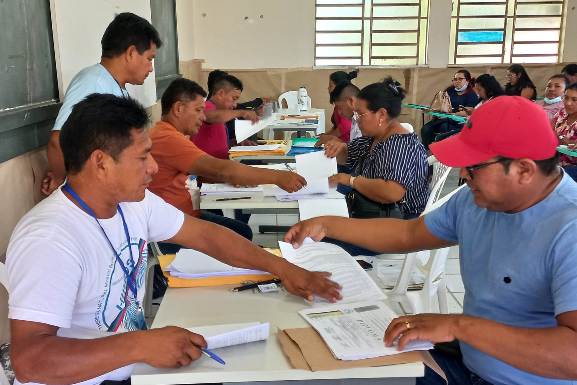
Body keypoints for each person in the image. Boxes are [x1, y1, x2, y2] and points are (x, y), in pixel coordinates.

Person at [6, 94, 341, 385]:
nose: (153, 167)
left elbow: (207, 236)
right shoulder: (51, 237)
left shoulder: (133, 203)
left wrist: (283, 268)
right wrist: (141, 345)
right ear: (101, 163)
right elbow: (31, 360)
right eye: (142, 157)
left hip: (132, 369)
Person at [285, 96, 577, 385]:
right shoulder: (475, 201)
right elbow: (408, 234)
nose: (463, 175)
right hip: (469, 364)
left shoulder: (568, 228)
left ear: (524, 170)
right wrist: (328, 224)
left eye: (473, 167)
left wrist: (460, 327)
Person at [149, 78, 307, 248]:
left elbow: (213, 171)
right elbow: (221, 170)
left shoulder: (167, 134)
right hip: (173, 227)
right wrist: (278, 177)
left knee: (242, 231)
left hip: (183, 214)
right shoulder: (167, 138)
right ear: (179, 108)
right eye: (198, 110)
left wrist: (234, 178)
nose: (203, 117)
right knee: (241, 236)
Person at [42, 12, 162, 195]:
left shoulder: (115, 86)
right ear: (130, 53)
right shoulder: (93, 83)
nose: (151, 67)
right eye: (149, 58)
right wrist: (61, 181)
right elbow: (57, 141)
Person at [321, 78, 429, 255]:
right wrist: (337, 147)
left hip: (399, 227)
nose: (357, 120)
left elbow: (391, 192)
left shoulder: (398, 144)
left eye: (360, 114)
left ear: (381, 115)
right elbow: (347, 155)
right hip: (376, 215)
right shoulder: (376, 138)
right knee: (321, 224)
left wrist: (351, 180)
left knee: (321, 239)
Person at [192, 74, 258, 159]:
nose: (234, 105)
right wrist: (242, 112)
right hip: (208, 167)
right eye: (234, 98)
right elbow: (211, 116)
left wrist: (234, 142)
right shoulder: (206, 106)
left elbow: (216, 143)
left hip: (221, 163)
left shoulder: (220, 113)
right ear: (221, 93)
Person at [420, 69, 479, 150]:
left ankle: (444, 153)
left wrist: (452, 115)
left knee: (444, 128)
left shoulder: (471, 95)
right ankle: (427, 151)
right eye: (455, 79)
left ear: (467, 80)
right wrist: (433, 110)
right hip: (443, 119)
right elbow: (441, 104)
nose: (457, 81)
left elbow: (468, 112)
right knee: (425, 129)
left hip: (459, 122)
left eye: (460, 79)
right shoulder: (449, 90)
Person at [322, 70, 359, 143]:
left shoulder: (358, 122)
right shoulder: (352, 117)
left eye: (331, 86)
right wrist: (326, 136)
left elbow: (345, 127)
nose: (328, 88)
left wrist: (330, 138)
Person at [552, 83, 577, 180]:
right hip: (554, 161)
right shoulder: (562, 113)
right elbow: (547, 131)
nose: (568, 103)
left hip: (572, 166)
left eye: (574, 100)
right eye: (566, 98)